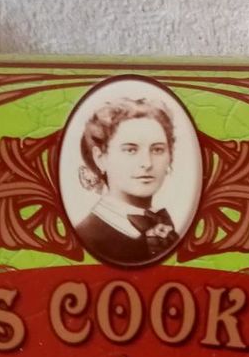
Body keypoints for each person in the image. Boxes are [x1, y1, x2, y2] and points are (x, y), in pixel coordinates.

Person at [73, 96, 180, 267]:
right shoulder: (86, 236)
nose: (147, 163)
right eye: (130, 150)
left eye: (157, 149)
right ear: (100, 158)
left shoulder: (166, 228)